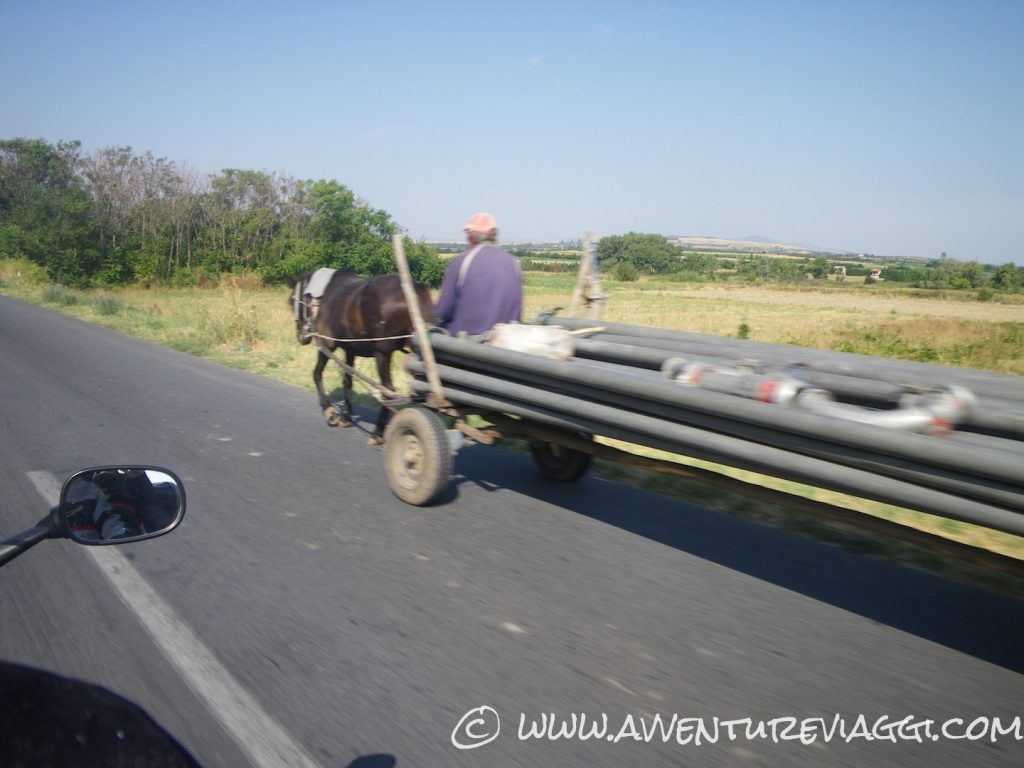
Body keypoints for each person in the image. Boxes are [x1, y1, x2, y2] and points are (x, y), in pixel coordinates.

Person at [435, 212, 523, 336]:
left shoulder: (461, 261)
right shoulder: (513, 263)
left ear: (471, 236)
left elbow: (443, 312)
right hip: (508, 344)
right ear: (494, 235)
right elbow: (517, 313)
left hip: (466, 346)